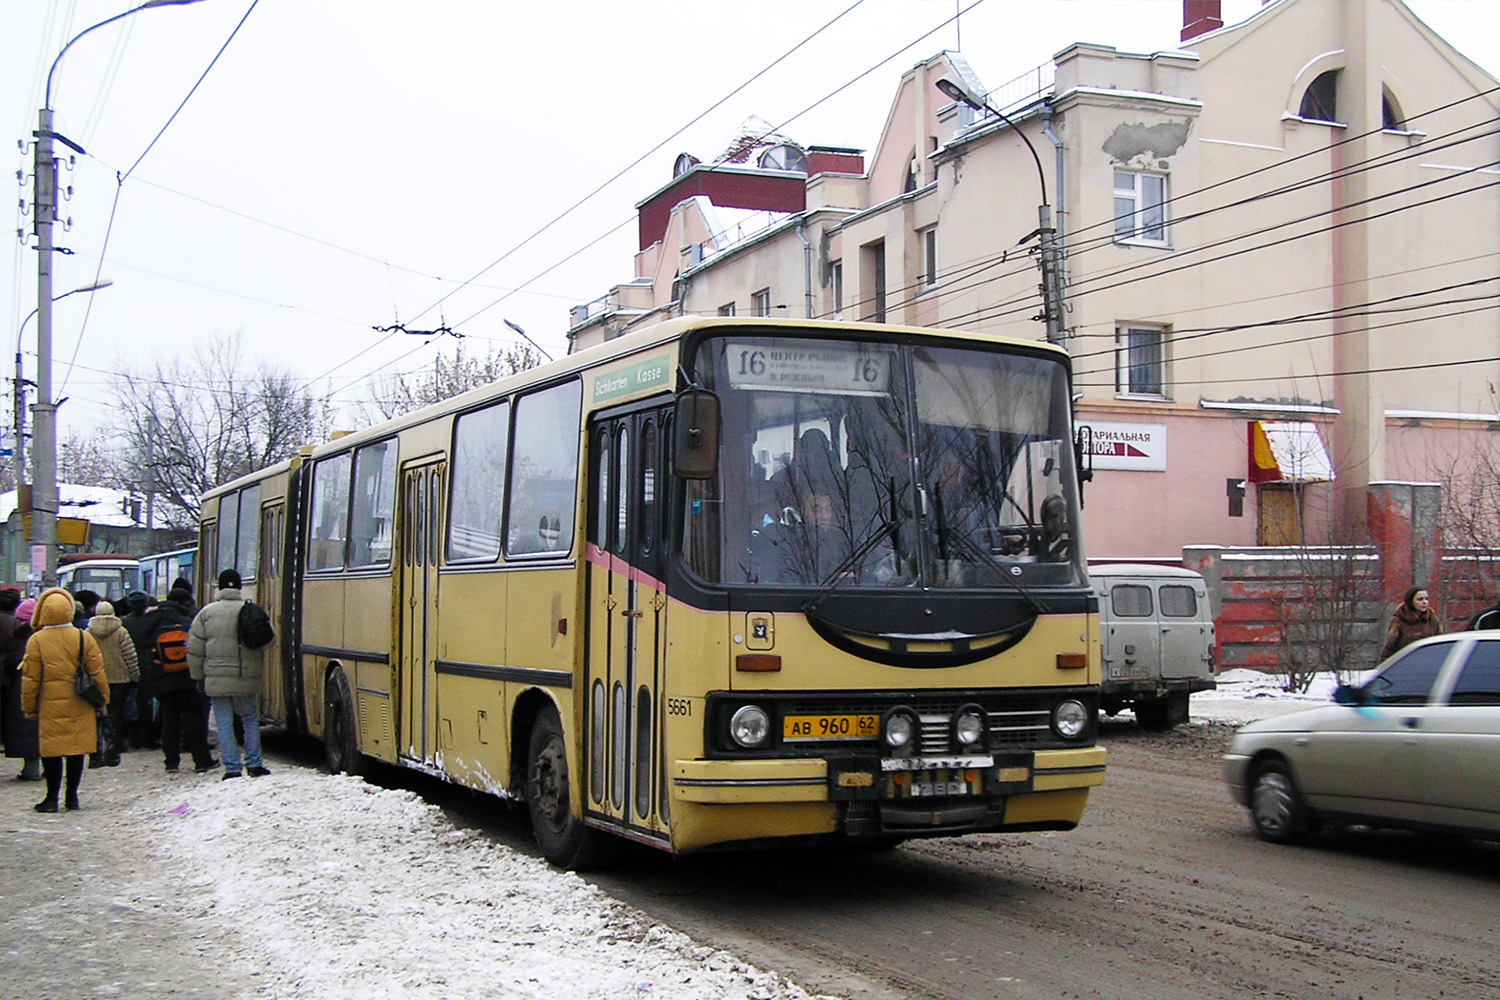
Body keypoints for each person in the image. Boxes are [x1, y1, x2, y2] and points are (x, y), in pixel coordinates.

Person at [20, 587, 108, 812]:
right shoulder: (82, 636)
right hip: (81, 702)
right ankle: (72, 797)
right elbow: (97, 671)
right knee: (76, 751)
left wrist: (28, 707)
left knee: (52, 752)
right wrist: (103, 700)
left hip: (49, 705)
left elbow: (31, 679)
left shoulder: (37, 640)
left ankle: (51, 798)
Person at [188, 569, 268, 780]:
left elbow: (194, 648)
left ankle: (232, 767)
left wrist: (197, 676)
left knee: (224, 723)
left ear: (219, 588)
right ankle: (254, 763)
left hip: (216, 677)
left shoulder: (206, 613)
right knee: (249, 719)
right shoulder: (250, 610)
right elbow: (269, 640)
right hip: (245, 676)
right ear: (240, 587)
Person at [146, 587, 217, 774]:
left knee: (169, 721)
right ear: (184, 602)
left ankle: (171, 762)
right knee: (193, 721)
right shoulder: (187, 621)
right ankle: (201, 760)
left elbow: (146, 650)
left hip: (163, 680)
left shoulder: (153, 621)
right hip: (187, 679)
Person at [87, 600, 139, 767]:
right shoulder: (121, 632)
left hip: (96, 679)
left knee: (97, 716)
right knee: (116, 714)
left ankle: (97, 751)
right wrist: (135, 676)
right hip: (120, 679)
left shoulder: (88, 632)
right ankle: (115, 747)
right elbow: (130, 656)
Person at [3, 594, 40, 781]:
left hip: (22, 687)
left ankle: (31, 769)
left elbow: (11, 663)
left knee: (27, 727)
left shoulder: (18, 639)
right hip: (50, 690)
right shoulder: (48, 635)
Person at [120, 591, 161, 750]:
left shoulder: (123, 623)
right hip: (147, 666)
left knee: (130, 703)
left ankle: (132, 738)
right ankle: (147, 738)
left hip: (127, 667)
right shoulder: (151, 622)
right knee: (146, 704)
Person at [1380, 586, 1443, 660]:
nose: (1424, 602)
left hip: (1428, 662)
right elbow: (1389, 648)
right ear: (1411, 601)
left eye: (1426, 599)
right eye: (1420, 599)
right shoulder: (1399, 620)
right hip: (1405, 664)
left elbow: (1440, 643)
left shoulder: (1432, 620)